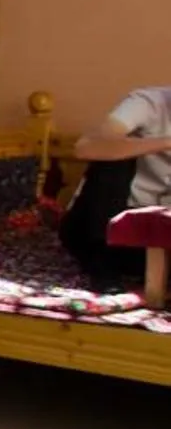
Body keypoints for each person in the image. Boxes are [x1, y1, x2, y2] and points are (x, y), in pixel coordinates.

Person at [60, 84, 171, 283]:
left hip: (155, 239)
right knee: (114, 154)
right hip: (99, 226)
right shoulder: (148, 103)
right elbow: (86, 147)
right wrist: (166, 142)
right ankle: (100, 259)